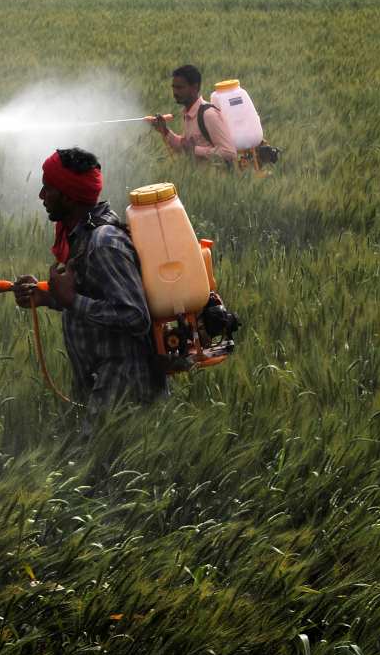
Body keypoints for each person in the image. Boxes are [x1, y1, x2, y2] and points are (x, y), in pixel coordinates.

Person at [13, 148, 165, 411]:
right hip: (102, 386)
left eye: (48, 188)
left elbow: (135, 315)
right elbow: (97, 294)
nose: (41, 196)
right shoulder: (82, 235)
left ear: (69, 197)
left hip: (125, 393)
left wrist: (71, 299)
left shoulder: (103, 243)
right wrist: (48, 297)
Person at [149, 64, 237, 165]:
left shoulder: (209, 115)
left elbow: (229, 153)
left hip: (217, 178)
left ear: (194, 88)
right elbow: (185, 147)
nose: (175, 92)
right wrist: (164, 130)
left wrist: (195, 150)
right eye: (174, 87)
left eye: (180, 88)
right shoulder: (189, 114)